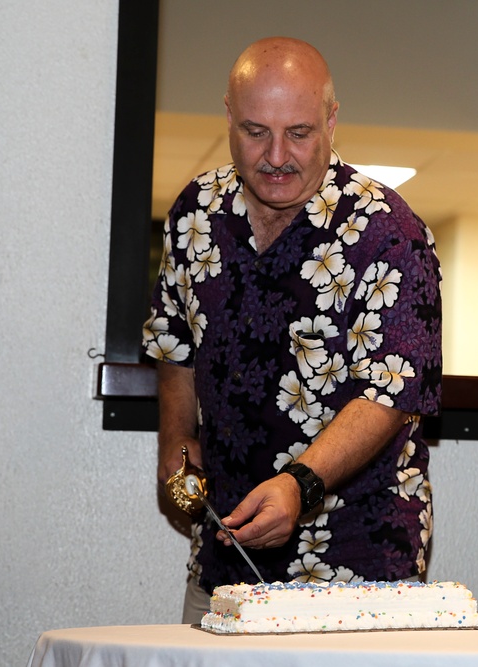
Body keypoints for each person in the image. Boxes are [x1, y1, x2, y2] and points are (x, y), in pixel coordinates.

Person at [142, 37, 442, 623]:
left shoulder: (389, 232)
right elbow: (174, 342)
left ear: (332, 121)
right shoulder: (195, 212)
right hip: (224, 556)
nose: (277, 155)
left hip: (358, 566)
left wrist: (300, 484)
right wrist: (175, 445)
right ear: (229, 118)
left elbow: (391, 394)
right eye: (256, 131)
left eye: (299, 133)